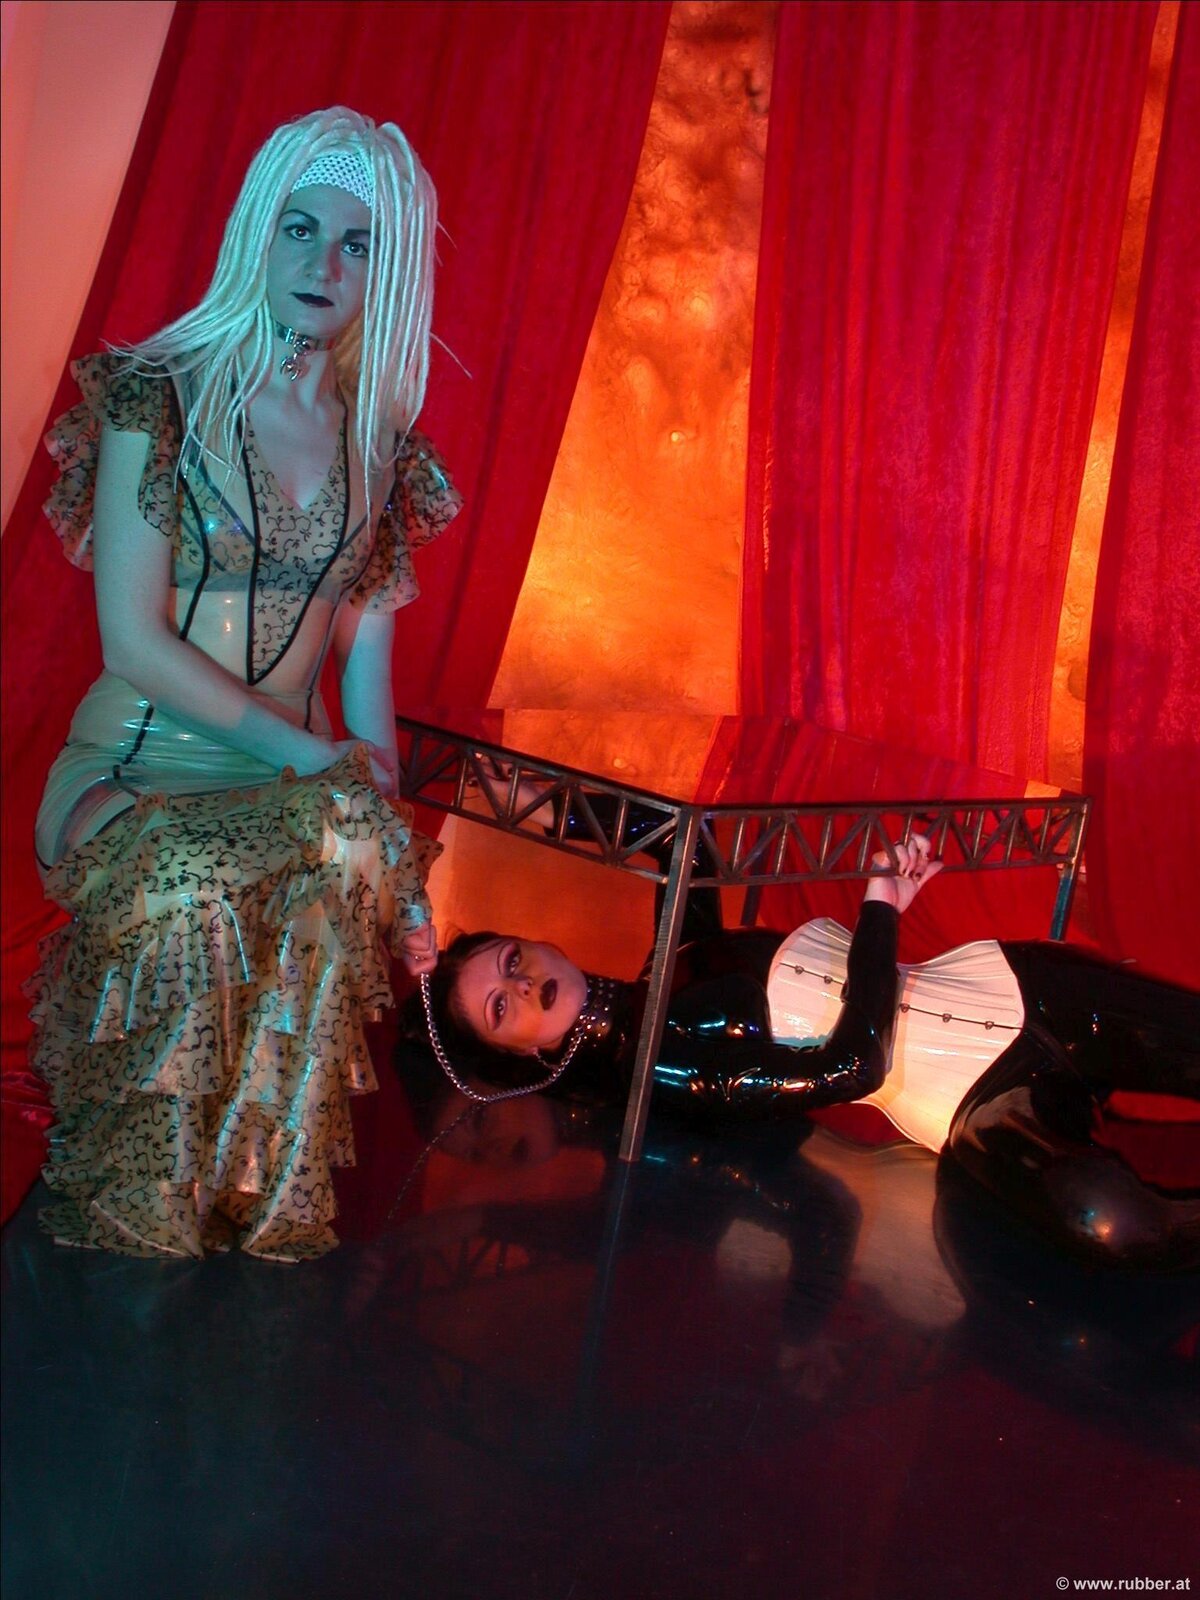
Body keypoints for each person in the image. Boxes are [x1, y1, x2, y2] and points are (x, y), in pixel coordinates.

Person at [30, 106, 459, 1263]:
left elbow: (366, 692)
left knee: (335, 886)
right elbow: (134, 642)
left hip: (296, 787)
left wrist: (394, 859)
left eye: (359, 244)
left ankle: (256, 1203)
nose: (325, 263)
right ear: (255, 231)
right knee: (198, 892)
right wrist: (323, 769)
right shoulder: (155, 396)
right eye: (300, 227)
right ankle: (147, 1210)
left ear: (389, 270)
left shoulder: (383, 451)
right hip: (134, 773)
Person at [406, 835, 1200, 1271]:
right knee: (1111, 1220)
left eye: (513, 958)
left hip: (1019, 983)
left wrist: (547, 806)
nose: (526, 983)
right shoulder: (663, 1068)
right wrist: (881, 909)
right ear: (519, 1052)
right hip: (979, 1098)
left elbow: (680, 842)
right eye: (502, 1005)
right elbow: (854, 1067)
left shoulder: (675, 959)